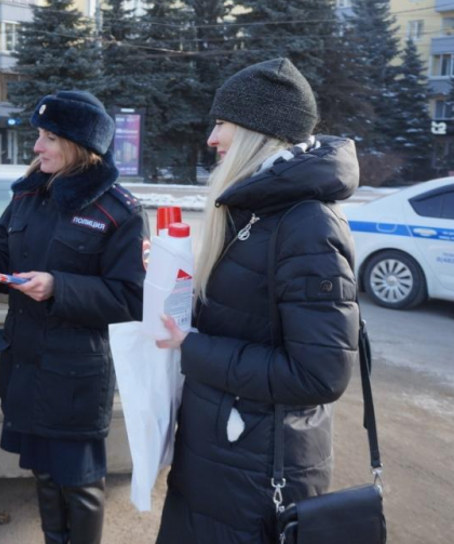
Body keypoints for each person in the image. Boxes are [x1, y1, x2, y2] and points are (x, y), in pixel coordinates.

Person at [153, 58, 362, 543]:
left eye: (222, 123)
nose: (211, 138)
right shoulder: (259, 210)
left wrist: (191, 347)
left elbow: (319, 374)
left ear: (257, 132)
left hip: (256, 473)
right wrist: (168, 269)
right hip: (224, 457)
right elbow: (241, 314)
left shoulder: (306, 225)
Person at [0, 91, 148, 544]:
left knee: (80, 480)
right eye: (38, 135)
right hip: (25, 362)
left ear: (77, 144)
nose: (36, 146)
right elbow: (6, 266)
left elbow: (130, 298)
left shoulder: (118, 211)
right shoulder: (30, 195)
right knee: (44, 471)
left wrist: (58, 286)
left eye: (48, 137)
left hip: (75, 372)